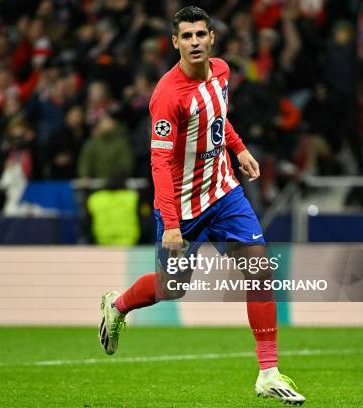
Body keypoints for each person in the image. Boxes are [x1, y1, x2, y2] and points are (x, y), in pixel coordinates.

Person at [98, 7, 305, 405]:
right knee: (170, 288)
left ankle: (268, 372)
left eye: (200, 35)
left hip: (224, 192)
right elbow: (158, 162)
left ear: (211, 38)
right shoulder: (167, 96)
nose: (194, 42)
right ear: (174, 42)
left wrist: (238, 149)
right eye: (186, 36)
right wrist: (172, 224)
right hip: (181, 205)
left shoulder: (223, 71)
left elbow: (217, 117)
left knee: (259, 267)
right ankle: (118, 305)